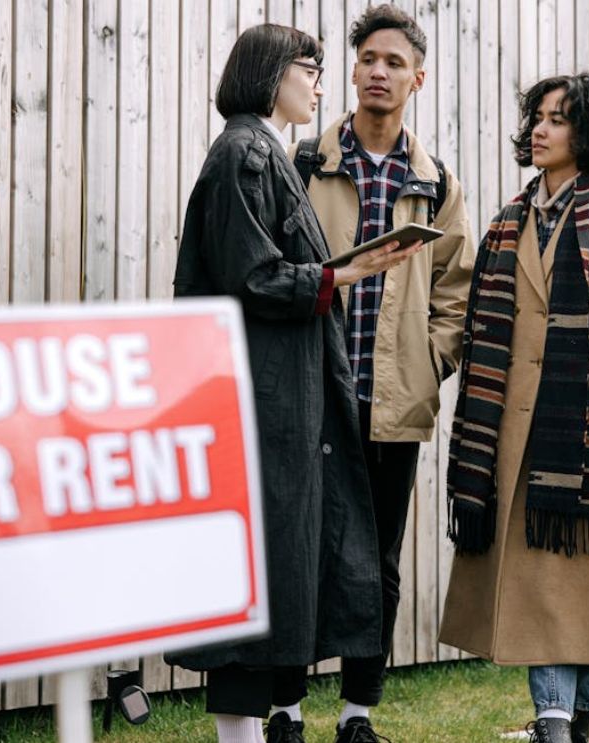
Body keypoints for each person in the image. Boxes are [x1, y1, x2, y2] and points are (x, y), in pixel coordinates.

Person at [168, 23, 423, 743]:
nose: (320, 83)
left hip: (276, 394)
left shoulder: (259, 150)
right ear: (274, 74)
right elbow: (250, 275)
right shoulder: (247, 152)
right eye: (309, 69)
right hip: (262, 396)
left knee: (273, 559)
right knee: (257, 559)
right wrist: (342, 273)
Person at [438, 74, 589, 743]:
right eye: (537, 118)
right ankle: (553, 723)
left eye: (558, 119)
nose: (540, 130)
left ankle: (574, 722)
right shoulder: (507, 220)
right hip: (512, 436)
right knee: (540, 590)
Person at [288, 5, 474, 741]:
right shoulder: (304, 162)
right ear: (351, 70)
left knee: (377, 563)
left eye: (394, 62)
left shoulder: (435, 182)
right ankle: (284, 709)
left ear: (415, 79)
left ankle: (357, 712)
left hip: (392, 405)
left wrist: (429, 362)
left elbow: (458, 289)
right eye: (367, 57)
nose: (377, 71)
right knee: (297, 555)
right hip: (311, 403)